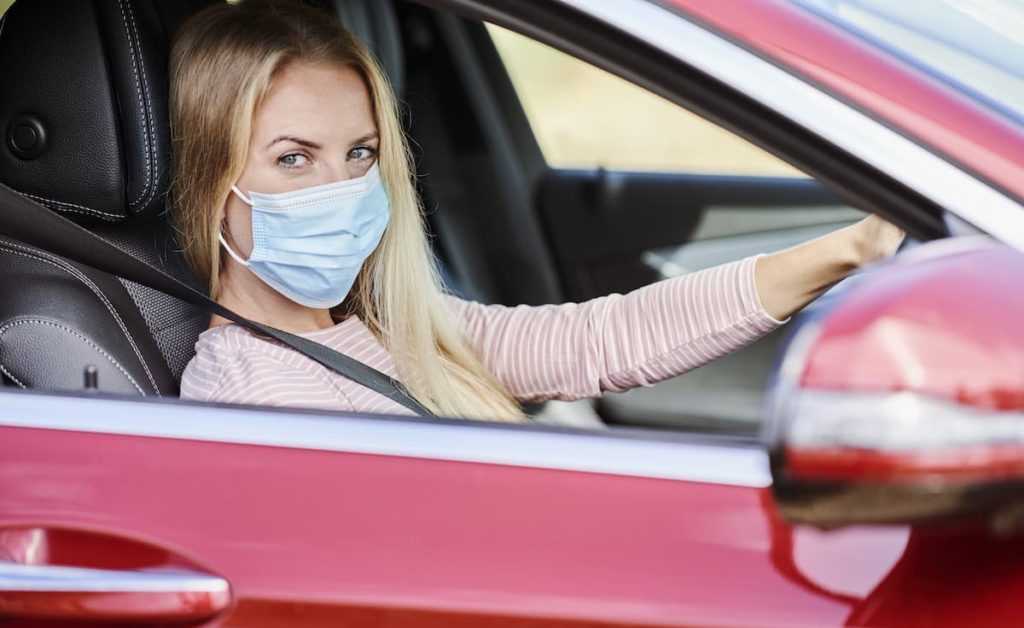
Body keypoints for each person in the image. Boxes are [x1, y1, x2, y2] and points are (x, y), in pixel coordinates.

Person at [173, 1, 903, 422]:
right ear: (213, 184)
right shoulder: (251, 394)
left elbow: (599, 339)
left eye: (360, 154)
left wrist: (851, 250)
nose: (341, 186)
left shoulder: (395, 332)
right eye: (294, 159)